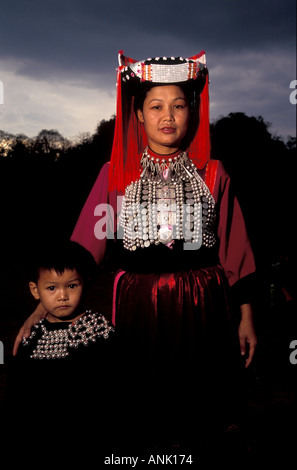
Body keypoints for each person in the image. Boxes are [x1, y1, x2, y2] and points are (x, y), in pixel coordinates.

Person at [13, 51, 257, 454]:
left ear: (191, 112)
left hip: (204, 304)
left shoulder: (214, 173)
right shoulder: (114, 174)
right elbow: (81, 252)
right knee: (139, 409)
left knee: (203, 413)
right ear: (138, 115)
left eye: (178, 105)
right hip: (137, 303)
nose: (168, 116)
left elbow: (235, 248)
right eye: (156, 106)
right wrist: (41, 309)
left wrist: (246, 316)